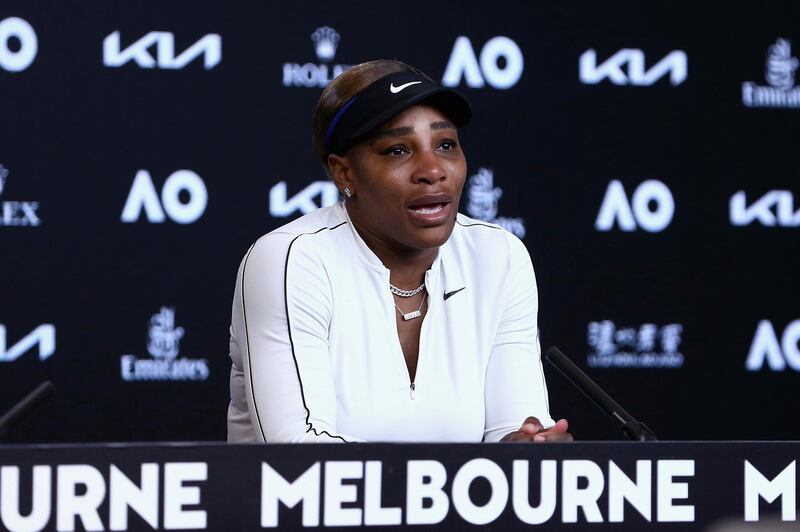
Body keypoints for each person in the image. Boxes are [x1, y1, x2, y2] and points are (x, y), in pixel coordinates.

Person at [226, 59, 572, 444]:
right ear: (344, 173)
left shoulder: (498, 256)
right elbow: (302, 455)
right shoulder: (291, 259)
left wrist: (529, 450)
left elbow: (512, 428)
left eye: (445, 145)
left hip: (451, 504)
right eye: (397, 151)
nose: (433, 169)